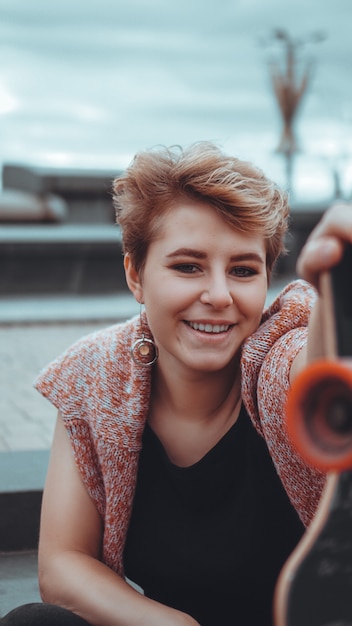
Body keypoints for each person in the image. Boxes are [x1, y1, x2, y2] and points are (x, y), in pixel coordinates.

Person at [1, 142, 351, 626]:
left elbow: (317, 365)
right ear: (135, 274)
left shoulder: (278, 360)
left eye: (243, 270)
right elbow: (63, 564)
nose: (219, 295)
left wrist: (339, 302)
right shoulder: (95, 378)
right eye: (188, 266)